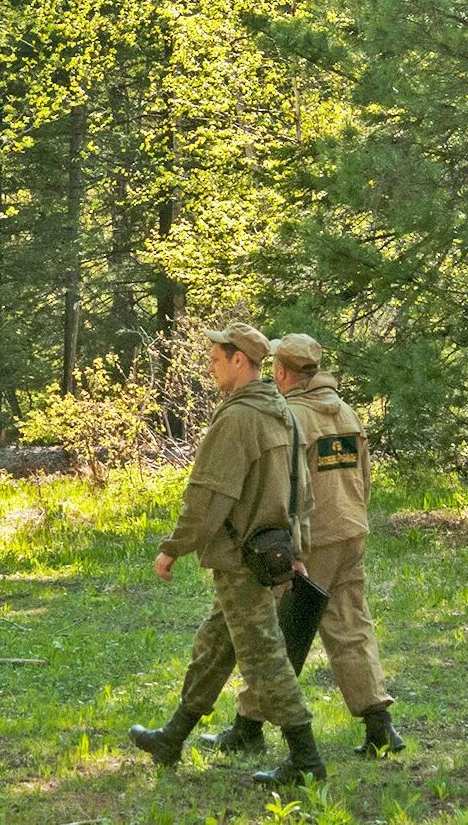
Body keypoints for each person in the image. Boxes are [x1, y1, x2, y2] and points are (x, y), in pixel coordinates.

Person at [128, 323, 326, 785]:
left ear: (241, 361)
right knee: (215, 647)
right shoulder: (282, 411)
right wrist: (299, 549)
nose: (210, 367)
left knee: (264, 659)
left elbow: (208, 497)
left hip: (243, 559)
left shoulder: (238, 419)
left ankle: (306, 761)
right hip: (270, 554)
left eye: (217, 358)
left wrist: (173, 548)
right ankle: (172, 738)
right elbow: (303, 492)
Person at [199, 333, 404, 758]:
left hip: (312, 542)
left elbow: (285, 488)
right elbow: (364, 478)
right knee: (351, 627)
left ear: (282, 371)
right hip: (351, 532)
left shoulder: (289, 416)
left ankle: (248, 728)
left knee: (273, 634)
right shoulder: (347, 413)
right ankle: (380, 726)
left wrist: (287, 543)